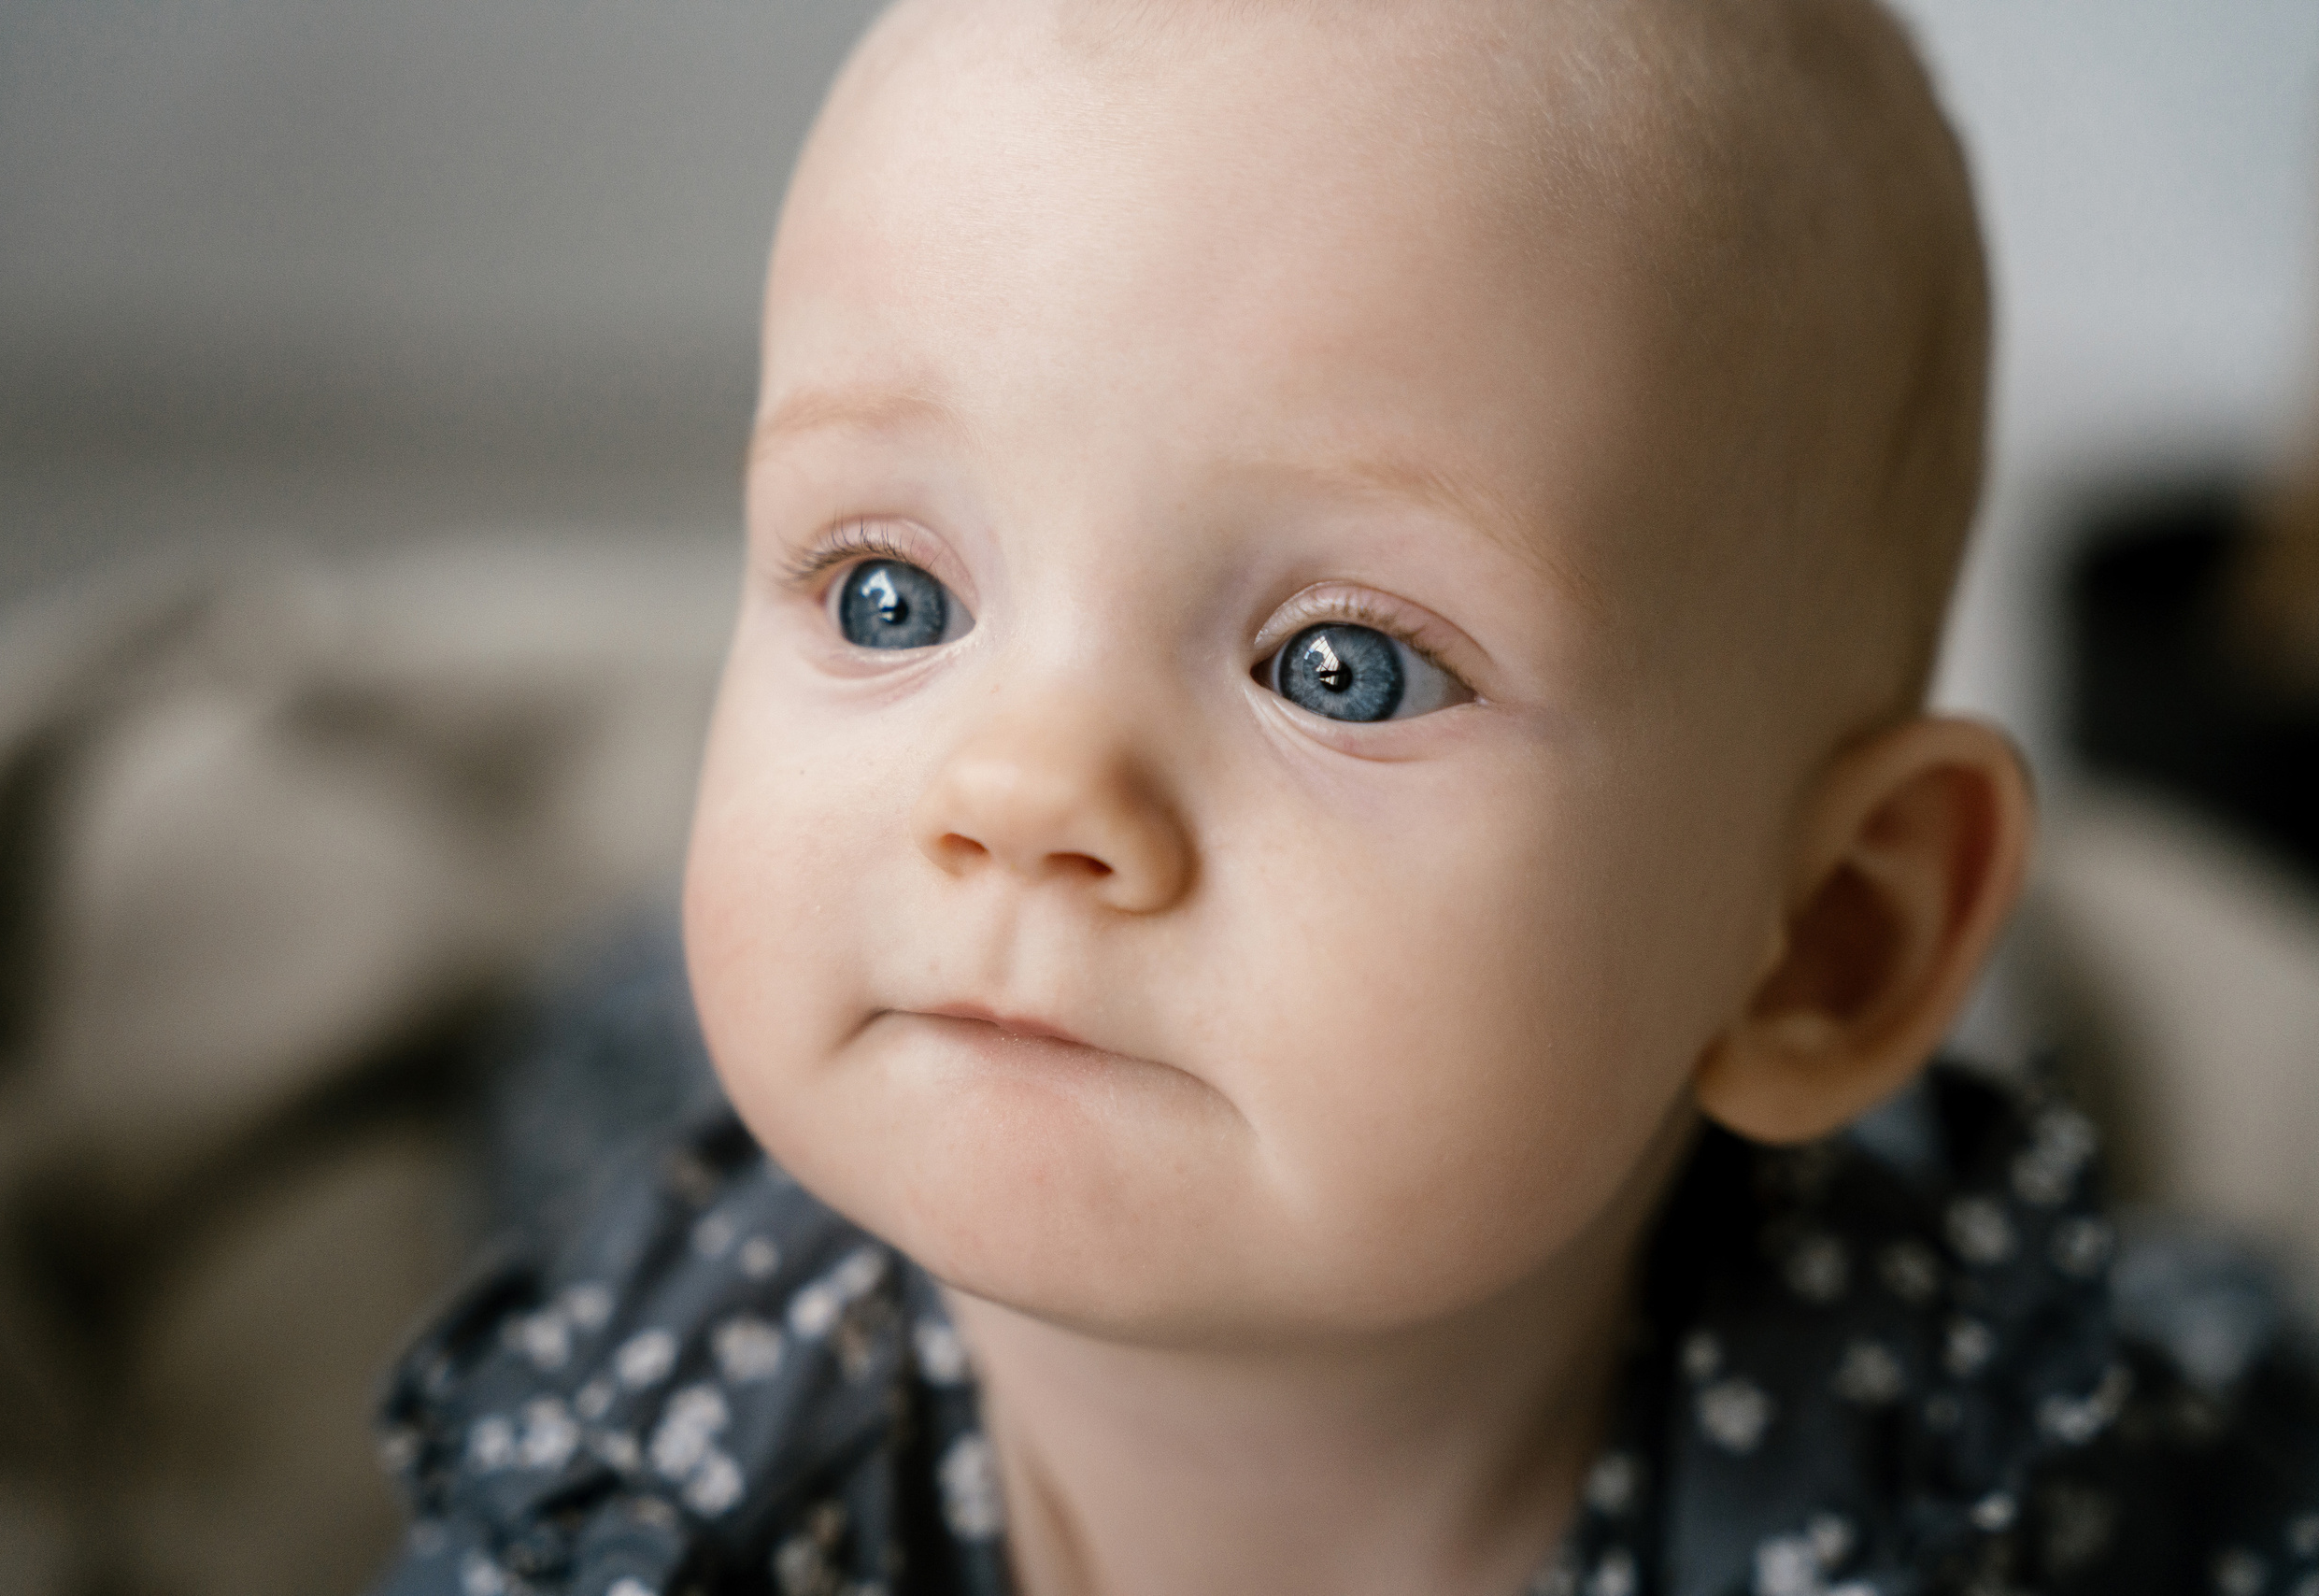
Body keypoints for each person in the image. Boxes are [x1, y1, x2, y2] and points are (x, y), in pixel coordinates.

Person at [371, 2, 2319, 1591]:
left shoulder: (2008, 1476)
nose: (1020, 786)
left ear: (1823, 937)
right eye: (892, 595)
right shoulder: (630, 1494)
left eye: (1341, 666)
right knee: (606, 1070)